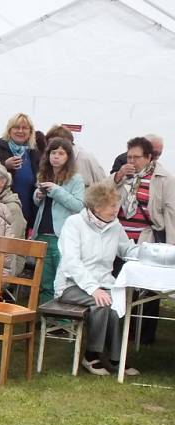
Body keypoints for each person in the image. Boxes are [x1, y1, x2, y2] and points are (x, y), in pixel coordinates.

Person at [55, 182, 139, 376]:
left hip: (103, 282)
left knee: (117, 301)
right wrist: (93, 288)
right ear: (96, 206)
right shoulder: (74, 223)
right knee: (102, 303)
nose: (116, 209)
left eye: (116, 205)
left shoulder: (115, 225)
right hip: (71, 284)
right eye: (111, 206)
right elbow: (71, 262)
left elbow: (126, 249)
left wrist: (147, 252)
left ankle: (116, 358)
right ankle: (91, 355)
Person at [112, 136, 175, 344]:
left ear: (148, 157)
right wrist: (117, 176)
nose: (132, 161)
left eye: (136, 157)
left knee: (146, 288)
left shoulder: (164, 178)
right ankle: (114, 330)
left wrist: (171, 246)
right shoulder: (122, 175)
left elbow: (170, 212)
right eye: (129, 157)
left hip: (145, 240)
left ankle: (143, 335)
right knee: (117, 283)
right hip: (118, 238)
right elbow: (101, 196)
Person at [32, 137, 85, 304]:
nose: (56, 156)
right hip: (42, 232)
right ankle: (44, 317)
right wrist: (38, 195)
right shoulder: (43, 174)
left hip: (60, 235)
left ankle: (60, 322)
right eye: (53, 153)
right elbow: (38, 204)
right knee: (43, 281)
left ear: (68, 157)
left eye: (61, 153)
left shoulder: (76, 179)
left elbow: (78, 205)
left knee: (60, 281)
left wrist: (56, 191)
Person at [0, 113, 40, 224]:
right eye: (16, 127)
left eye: (25, 128)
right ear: (9, 130)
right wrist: (4, 166)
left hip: (25, 210)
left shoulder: (33, 152)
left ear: (30, 132)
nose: (20, 131)